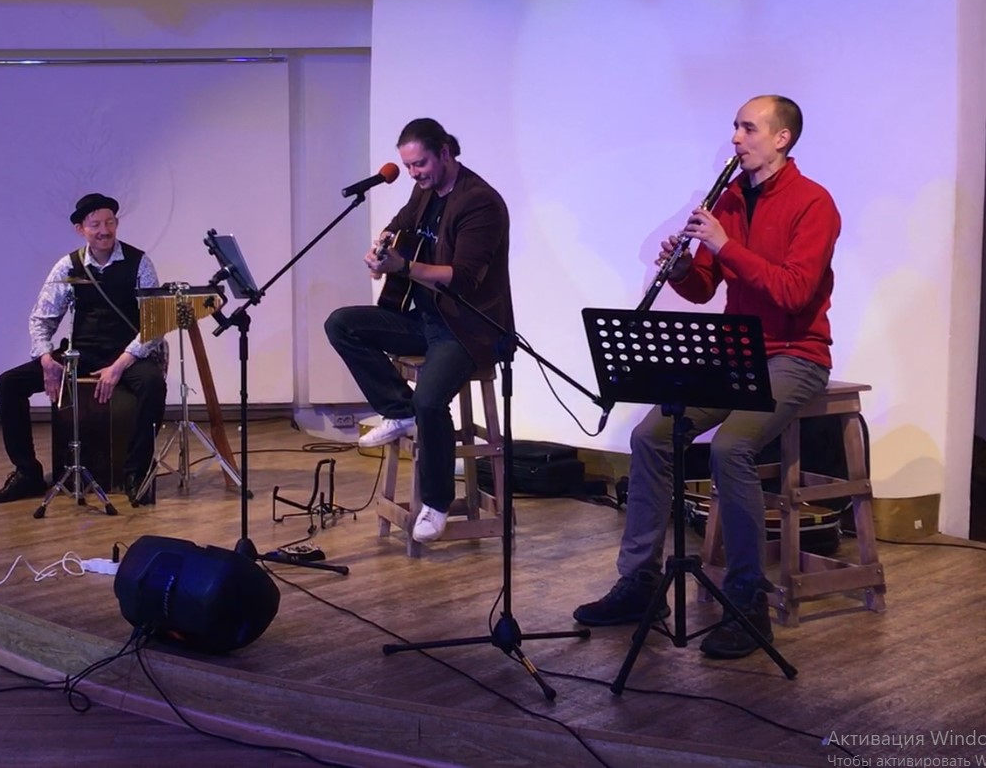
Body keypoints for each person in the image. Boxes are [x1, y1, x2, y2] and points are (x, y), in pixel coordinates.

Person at [573, 95, 841, 659]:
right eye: (735, 127)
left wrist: (725, 245)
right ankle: (640, 584)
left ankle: (748, 601)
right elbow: (703, 288)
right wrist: (682, 268)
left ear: (782, 138)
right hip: (736, 353)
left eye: (748, 128)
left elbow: (794, 292)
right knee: (650, 435)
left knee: (731, 447)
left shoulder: (814, 202)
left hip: (795, 354)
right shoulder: (732, 199)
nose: (736, 138)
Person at [325, 117, 512, 544]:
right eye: (408, 166)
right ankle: (399, 410)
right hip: (424, 318)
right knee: (342, 324)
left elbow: (463, 279)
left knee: (430, 399)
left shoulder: (479, 203)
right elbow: (400, 225)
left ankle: (437, 503)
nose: (413, 173)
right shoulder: (424, 192)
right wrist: (382, 248)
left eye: (420, 164)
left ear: (445, 152)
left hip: (467, 328)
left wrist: (405, 266)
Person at [0, 193, 168, 506]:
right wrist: (46, 358)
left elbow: (153, 324)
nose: (104, 230)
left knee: (153, 385)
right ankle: (27, 473)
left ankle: (136, 473)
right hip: (83, 353)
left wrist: (120, 365)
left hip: (127, 354)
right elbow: (42, 317)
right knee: (8, 384)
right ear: (80, 229)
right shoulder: (68, 266)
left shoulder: (139, 262)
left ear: (117, 223)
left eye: (109, 222)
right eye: (95, 224)